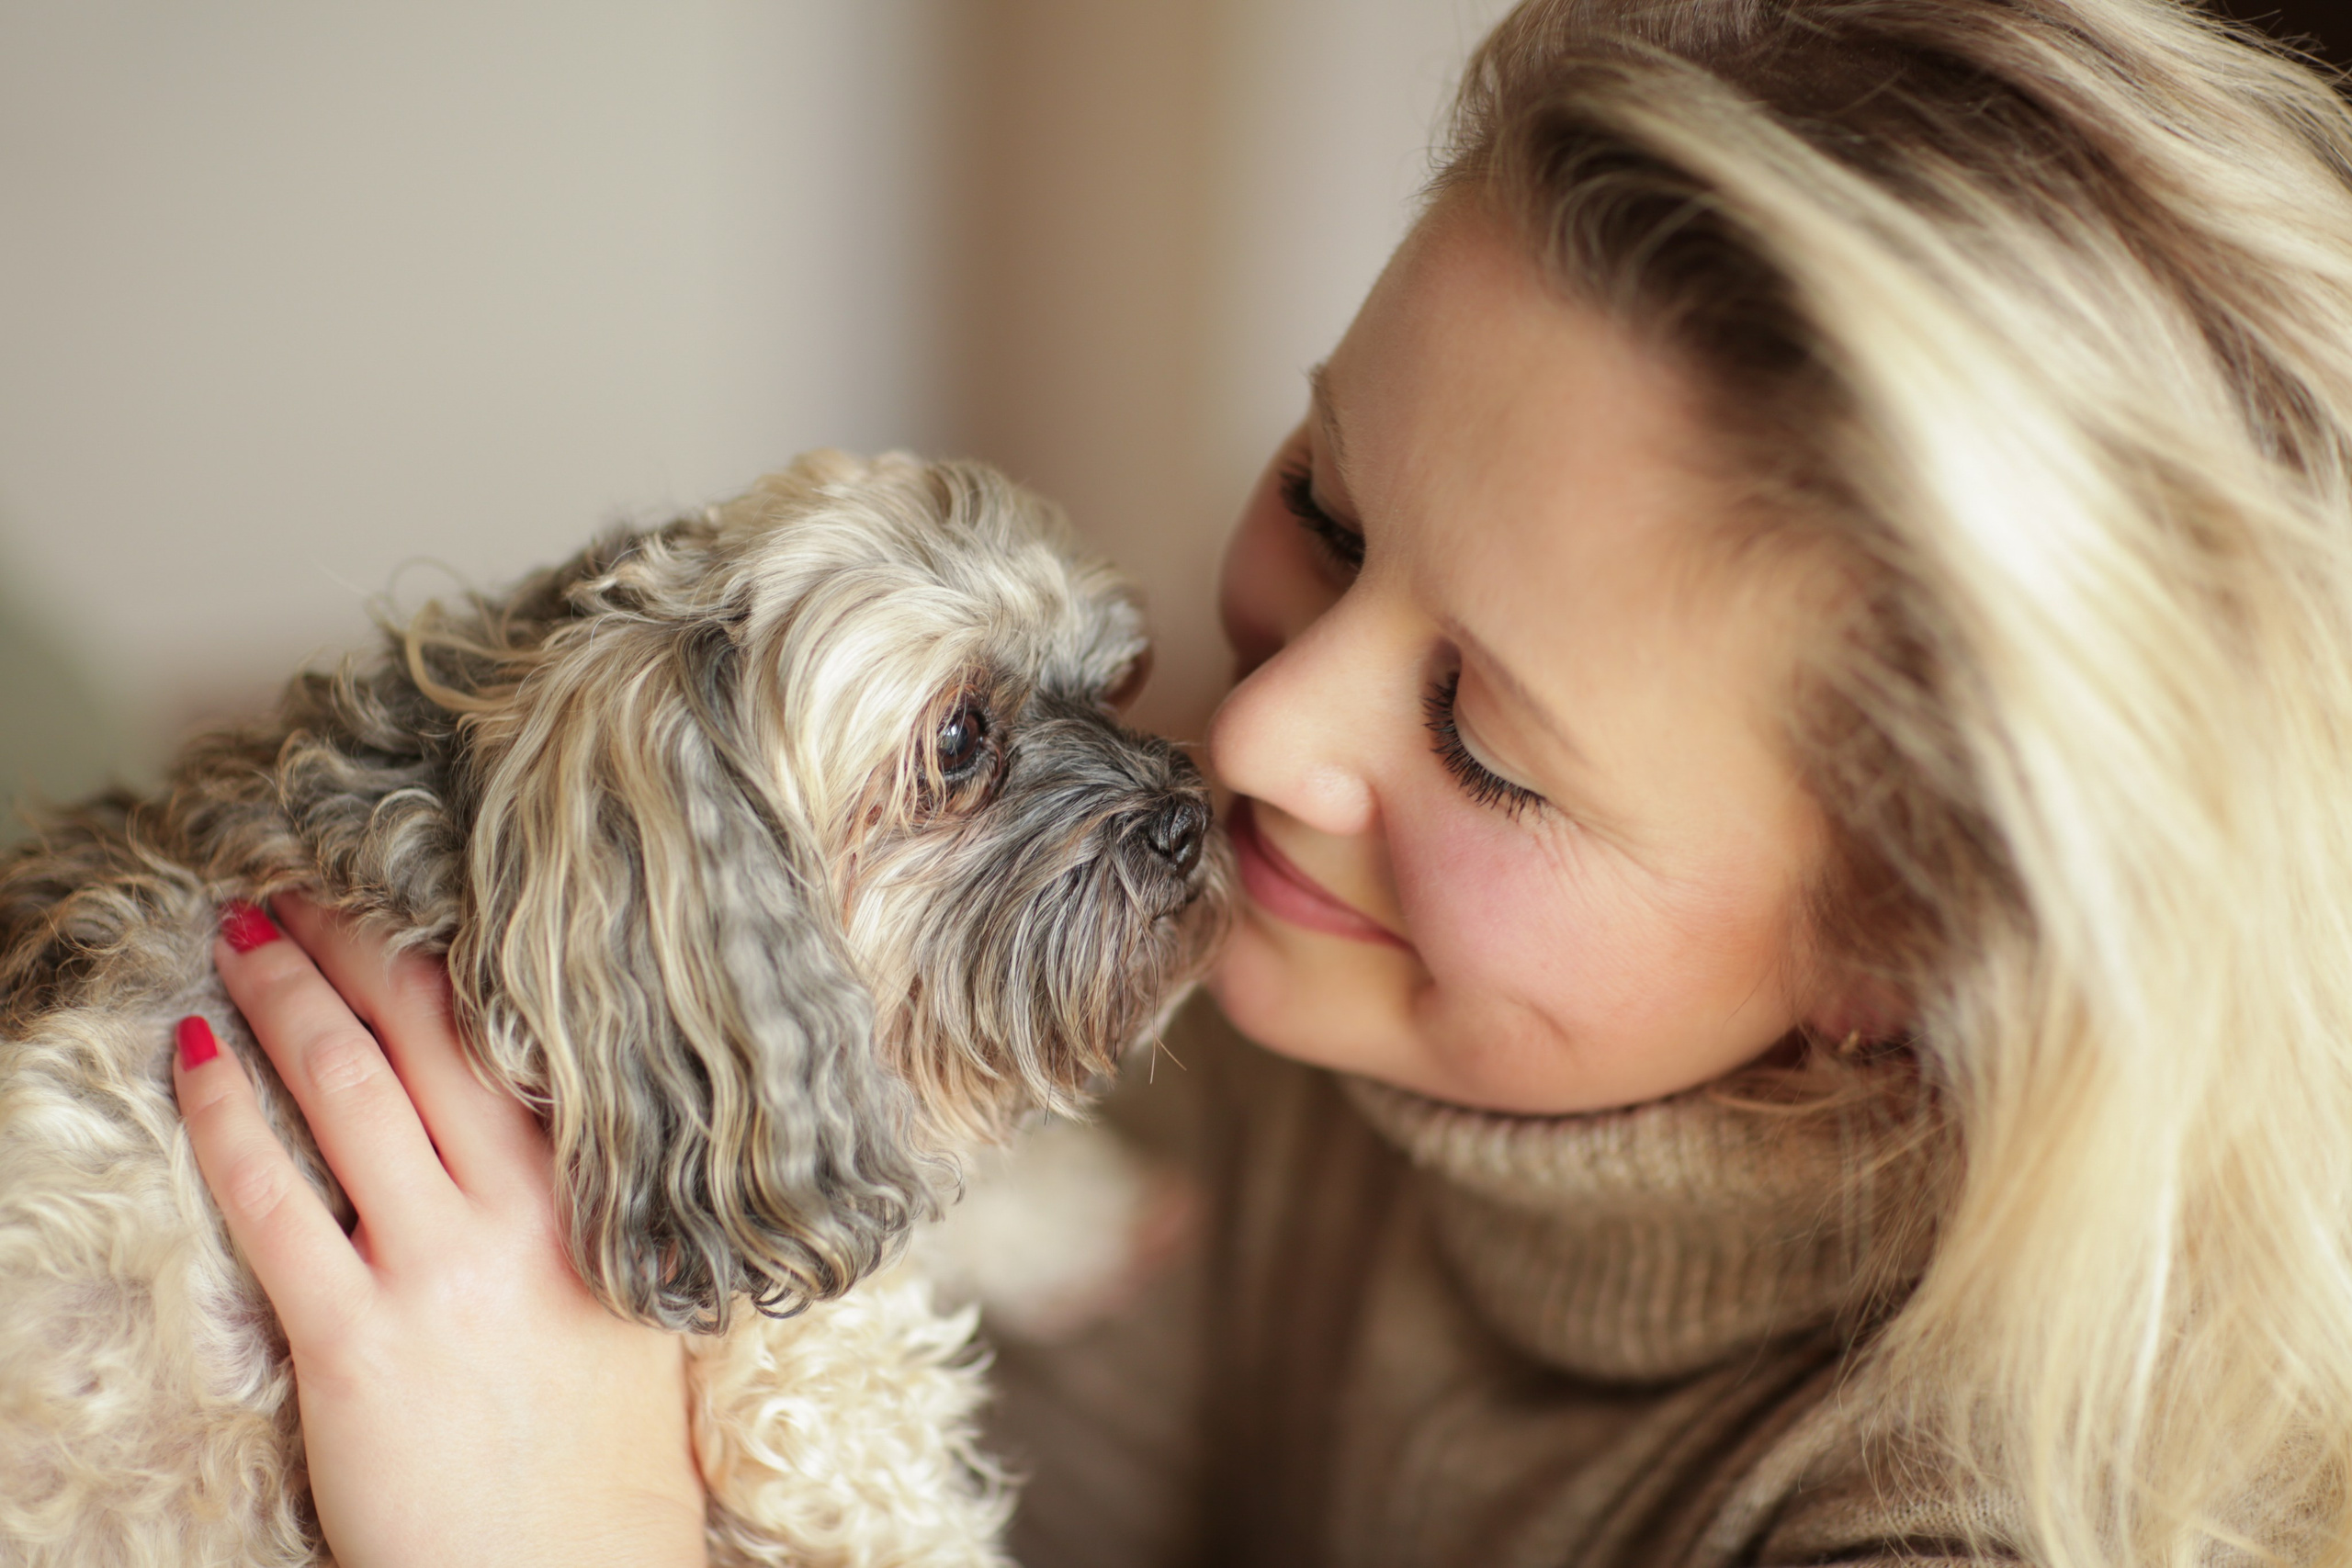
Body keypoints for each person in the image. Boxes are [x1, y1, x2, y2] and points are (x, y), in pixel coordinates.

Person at [170, 0, 2352, 1562]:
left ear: (1908, 938)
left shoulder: (1988, 1515)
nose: (1248, 736)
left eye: (1483, 742)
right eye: (1322, 502)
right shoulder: (1288, 1017)